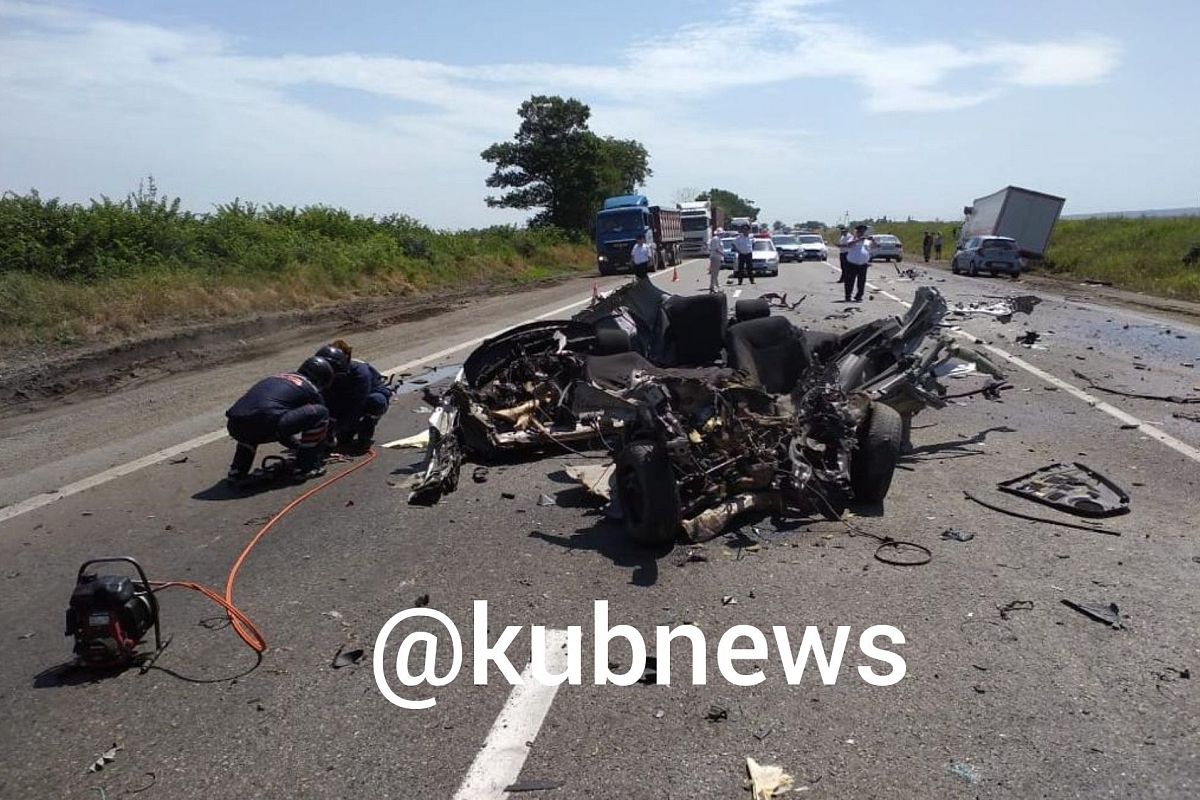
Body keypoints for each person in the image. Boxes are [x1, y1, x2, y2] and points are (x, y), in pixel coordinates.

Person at [224, 356, 333, 483]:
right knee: (321, 412)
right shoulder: (310, 388)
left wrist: (296, 445)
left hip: (235, 424)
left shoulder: (277, 376)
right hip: (265, 423)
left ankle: (237, 471)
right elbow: (324, 422)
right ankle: (305, 468)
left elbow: (275, 417)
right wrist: (325, 446)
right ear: (321, 379)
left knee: (251, 426)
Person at [321, 340, 394, 451]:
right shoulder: (327, 372)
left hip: (366, 400)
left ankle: (366, 429)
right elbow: (326, 399)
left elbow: (359, 401)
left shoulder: (360, 370)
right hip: (345, 400)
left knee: (376, 401)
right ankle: (347, 430)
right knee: (342, 439)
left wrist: (343, 424)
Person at [844, 224, 873, 303]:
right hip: (852, 263)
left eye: (863, 231)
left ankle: (859, 296)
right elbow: (849, 245)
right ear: (857, 232)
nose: (862, 233)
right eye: (860, 231)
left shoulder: (867, 241)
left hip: (863, 264)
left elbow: (874, 247)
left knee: (861, 281)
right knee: (850, 281)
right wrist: (858, 239)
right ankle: (848, 296)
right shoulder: (852, 238)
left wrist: (873, 240)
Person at [707, 227, 724, 293]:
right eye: (721, 233)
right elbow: (716, 249)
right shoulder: (716, 239)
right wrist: (723, 254)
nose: (722, 234)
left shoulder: (719, 239)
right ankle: (714, 287)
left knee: (715, 273)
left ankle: (714, 286)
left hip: (717, 258)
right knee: (714, 273)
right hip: (715, 257)